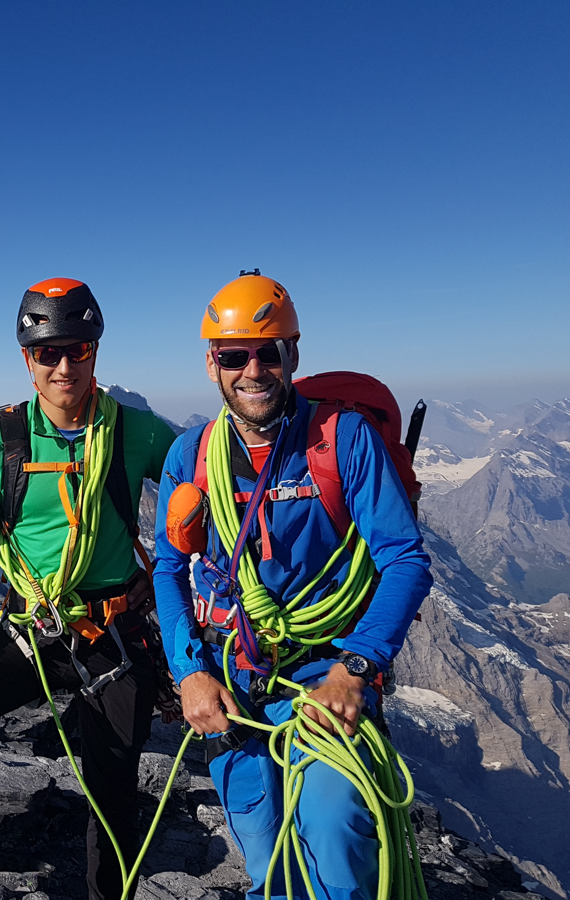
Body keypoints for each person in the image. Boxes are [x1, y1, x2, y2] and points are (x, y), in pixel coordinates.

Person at [0, 278, 177, 900]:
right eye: (48, 353)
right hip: (32, 629)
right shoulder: (3, 439)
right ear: (28, 360)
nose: (64, 365)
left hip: (113, 633)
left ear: (96, 351)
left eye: (77, 349)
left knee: (113, 786)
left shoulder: (137, 433)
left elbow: (213, 482)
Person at [152, 271, 432, 900]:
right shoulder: (190, 455)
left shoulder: (343, 441)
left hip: (324, 675)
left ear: (293, 354)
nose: (252, 369)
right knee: (267, 859)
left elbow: (405, 560)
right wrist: (187, 671)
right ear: (211, 364)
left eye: (268, 351)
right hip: (233, 684)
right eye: (233, 355)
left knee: (333, 834)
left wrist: (354, 667)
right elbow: (169, 569)